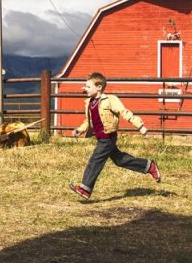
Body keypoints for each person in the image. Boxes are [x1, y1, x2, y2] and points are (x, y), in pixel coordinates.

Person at [68, 72, 161, 200]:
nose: (85, 89)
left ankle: (85, 189)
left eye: (88, 87)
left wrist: (140, 126)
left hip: (108, 137)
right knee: (120, 160)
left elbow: (124, 112)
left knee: (95, 160)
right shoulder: (89, 103)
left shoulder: (110, 100)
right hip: (101, 138)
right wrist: (80, 130)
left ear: (99, 87)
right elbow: (89, 121)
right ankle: (148, 166)